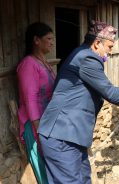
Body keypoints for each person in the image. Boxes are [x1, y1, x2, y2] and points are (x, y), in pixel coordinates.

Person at [37, 20, 119, 184]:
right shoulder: (87, 58)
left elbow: (105, 88)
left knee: (84, 178)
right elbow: (109, 92)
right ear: (97, 43)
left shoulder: (82, 55)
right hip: (61, 135)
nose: (110, 52)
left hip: (72, 135)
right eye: (109, 47)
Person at [17, 22, 55, 184]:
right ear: (36, 40)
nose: (52, 42)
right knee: (42, 164)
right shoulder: (28, 64)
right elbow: (30, 97)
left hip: (45, 121)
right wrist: (38, 126)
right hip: (35, 124)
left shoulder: (43, 62)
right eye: (48, 38)